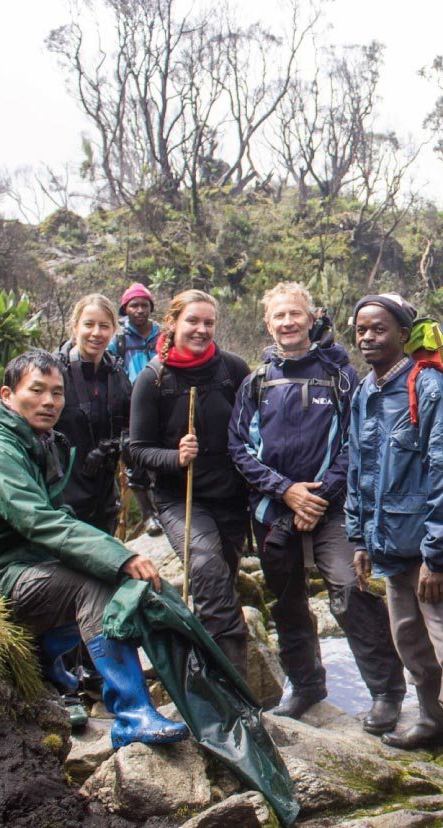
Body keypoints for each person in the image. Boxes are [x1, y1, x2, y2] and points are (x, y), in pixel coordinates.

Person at [0, 350, 188, 750]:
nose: (49, 402)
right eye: (36, 391)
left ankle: (49, 666)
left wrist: (109, 556)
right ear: (7, 395)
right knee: (95, 587)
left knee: (108, 576)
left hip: (23, 564)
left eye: (57, 393)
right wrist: (120, 556)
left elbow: (58, 513)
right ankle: (131, 713)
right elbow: (37, 521)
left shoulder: (40, 442)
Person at [346, 293, 443, 815]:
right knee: (409, 639)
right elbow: (357, 469)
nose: (368, 338)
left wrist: (438, 556)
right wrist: (359, 539)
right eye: (361, 330)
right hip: (389, 545)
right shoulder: (365, 391)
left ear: (401, 333)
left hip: (430, 549)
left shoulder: (428, 387)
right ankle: (432, 722)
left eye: (379, 329)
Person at [228, 283, 407, 725]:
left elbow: (356, 440)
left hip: (332, 507)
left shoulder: (340, 374)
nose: (288, 322)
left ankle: (387, 692)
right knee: (287, 601)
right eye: (279, 317)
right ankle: (306, 685)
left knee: (349, 591)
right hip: (274, 509)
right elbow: (238, 447)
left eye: (295, 314)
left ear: (312, 318)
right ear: (268, 325)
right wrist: (286, 491)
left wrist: (319, 494)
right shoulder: (256, 381)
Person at [126, 289, 253, 679]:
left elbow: (255, 429)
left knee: (221, 581)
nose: (201, 329)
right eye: (192, 321)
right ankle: (231, 683)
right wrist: (176, 458)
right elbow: (137, 449)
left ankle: (200, 662)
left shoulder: (233, 370)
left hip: (231, 497)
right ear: (173, 323)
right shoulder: (153, 379)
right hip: (180, 497)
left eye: (208, 323)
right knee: (206, 566)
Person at [54, 294, 131, 534]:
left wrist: (116, 445)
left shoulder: (117, 373)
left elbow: (131, 426)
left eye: (104, 326)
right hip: (61, 496)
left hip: (104, 497)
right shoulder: (54, 372)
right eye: (89, 324)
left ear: (113, 331)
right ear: (75, 326)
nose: (96, 333)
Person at [112, 282, 163, 536]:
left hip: (160, 403)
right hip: (129, 406)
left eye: (144, 305)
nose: (140, 310)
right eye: (134, 305)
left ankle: (164, 510)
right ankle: (148, 515)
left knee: (161, 458)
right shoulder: (117, 338)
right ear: (125, 308)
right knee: (134, 459)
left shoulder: (161, 334)